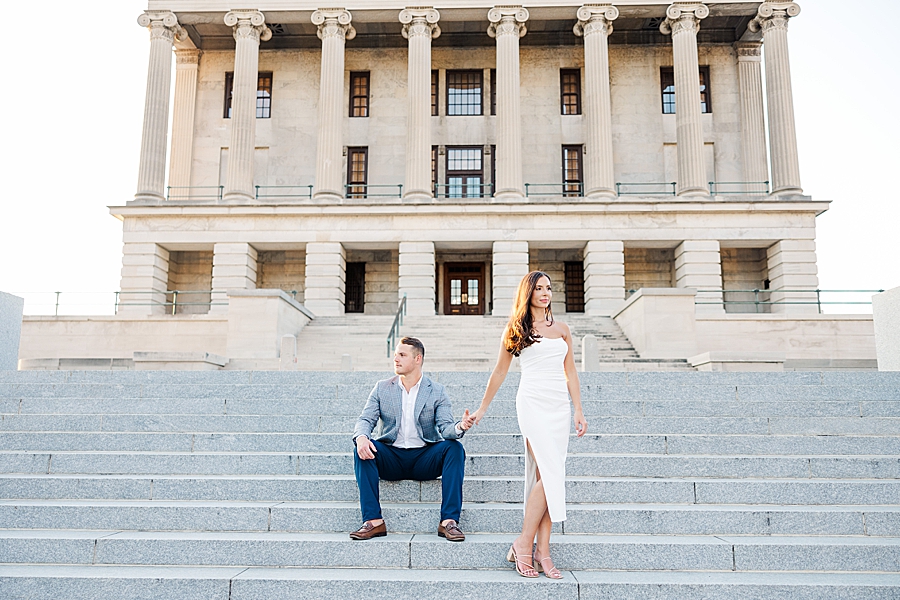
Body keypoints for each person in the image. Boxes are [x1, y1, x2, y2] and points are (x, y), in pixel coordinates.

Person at [471, 271, 588, 578]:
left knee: (548, 476)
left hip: (559, 407)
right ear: (528, 293)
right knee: (549, 474)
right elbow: (499, 372)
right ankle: (525, 544)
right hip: (532, 403)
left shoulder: (562, 329)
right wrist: (482, 410)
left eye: (548, 287)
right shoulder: (516, 329)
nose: (545, 292)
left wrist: (578, 409)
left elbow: (571, 372)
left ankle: (542, 551)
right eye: (539, 288)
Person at [350, 336, 476, 541]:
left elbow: (446, 428)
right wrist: (362, 437)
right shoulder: (382, 387)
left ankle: (449, 522)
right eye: (395, 355)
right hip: (391, 456)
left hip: (424, 458)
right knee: (362, 447)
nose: (396, 359)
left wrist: (460, 426)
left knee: (454, 448)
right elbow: (366, 419)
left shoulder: (436, 391)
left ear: (418, 359)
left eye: (402, 355)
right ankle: (373, 521)